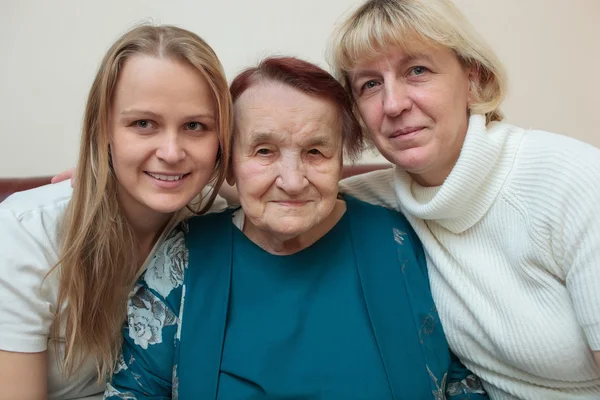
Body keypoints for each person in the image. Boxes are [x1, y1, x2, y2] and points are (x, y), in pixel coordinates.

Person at [105, 56, 487, 399]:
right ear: (229, 163)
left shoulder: (401, 241)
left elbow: (461, 381)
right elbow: (135, 391)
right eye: (264, 151)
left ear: (342, 159)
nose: (292, 180)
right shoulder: (183, 258)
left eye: (315, 152)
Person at [328, 0, 600, 398]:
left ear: (473, 79)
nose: (393, 104)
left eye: (417, 71)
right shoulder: (382, 198)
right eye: (370, 84)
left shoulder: (573, 179)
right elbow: (264, 193)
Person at [0, 25, 232, 399]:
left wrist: (227, 173)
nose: (171, 152)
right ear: (103, 128)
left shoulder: (214, 225)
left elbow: (305, 194)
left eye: (195, 126)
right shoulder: (24, 234)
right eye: (143, 124)